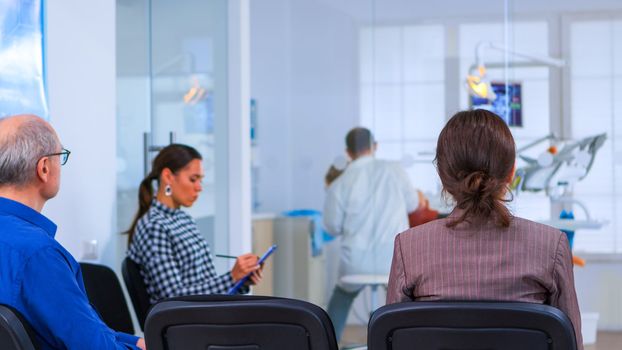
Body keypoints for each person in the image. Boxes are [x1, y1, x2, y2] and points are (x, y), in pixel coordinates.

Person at [386, 109, 583, 349]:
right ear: (511, 173)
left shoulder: (410, 247)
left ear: (442, 175)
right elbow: (571, 343)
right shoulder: (551, 245)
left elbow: (391, 340)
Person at [0, 115, 145, 350]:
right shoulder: (39, 254)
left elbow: (82, 331)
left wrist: (131, 341)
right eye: (61, 156)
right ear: (44, 168)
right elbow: (93, 346)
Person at [323, 127, 426, 340]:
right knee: (407, 301)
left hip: (355, 263)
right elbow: (413, 204)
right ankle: (411, 341)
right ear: (375, 146)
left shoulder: (339, 183)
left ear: (348, 152)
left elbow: (332, 227)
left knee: (341, 296)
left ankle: (328, 342)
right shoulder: (395, 170)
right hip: (394, 260)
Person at [126, 144, 262, 304]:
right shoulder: (154, 227)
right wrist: (231, 278)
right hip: (185, 322)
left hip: (202, 314)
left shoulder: (185, 220)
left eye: (200, 180)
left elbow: (205, 285)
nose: (199, 187)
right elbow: (173, 297)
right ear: (168, 176)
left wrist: (240, 281)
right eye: (193, 179)